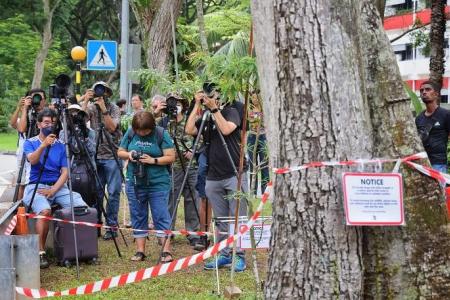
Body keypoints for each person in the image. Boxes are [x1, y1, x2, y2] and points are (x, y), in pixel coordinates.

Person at [185, 87, 248, 272]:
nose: (211, 98)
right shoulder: (206, 115)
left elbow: (227, 129)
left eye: (213, 95)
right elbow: (189, 129)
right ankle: (223, 253)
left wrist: (214, 110)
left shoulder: (232, 111)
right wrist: (196, 104)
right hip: (213, 176)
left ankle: (239, 256)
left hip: (235, 172)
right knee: (221, 220)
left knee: (237, 218)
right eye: (208, 95)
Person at [22, 108, 87, 268]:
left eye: (52, 123)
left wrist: (53, 190)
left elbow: (65, 172)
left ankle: (77, 249)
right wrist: (43, 145)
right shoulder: (30, 142)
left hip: (57, 186)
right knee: (44, 211)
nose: (49, 125)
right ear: (38, 124)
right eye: (46, 122)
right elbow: (33, 160)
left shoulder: (60, 145)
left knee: (81, 206)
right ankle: (40, 252)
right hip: (36, 187)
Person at [118, 111, 175, 262]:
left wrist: (153, 160)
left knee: (161, 215)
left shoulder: (161, 134)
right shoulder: (131, 133)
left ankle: (166, 251)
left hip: (158, 183)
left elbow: (171, 157)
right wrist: (129, 155)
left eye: (145, 130)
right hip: (135, 182)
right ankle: (140, 251)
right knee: (137, 214)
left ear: (152, 127)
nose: (142, 133)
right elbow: (120, 151)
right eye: (139, 130)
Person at [159, 93, 203, 251]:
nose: (175, 106)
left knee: (192, 199)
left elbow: (201, 139)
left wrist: (193, 151)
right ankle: (167, 231)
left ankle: (193, 233)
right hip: (173, 167)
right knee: (171, 199)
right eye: (172, 103)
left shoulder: (191, 120)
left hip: (191, 166)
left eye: (178, 103)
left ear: (184, 105)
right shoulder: (165, 123)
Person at [80, 82, 123, 240]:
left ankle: (111, 227)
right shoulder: (91, 107)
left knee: (113, 193)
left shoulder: (114, 108)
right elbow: (79, 120)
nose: (100, 93)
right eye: (97, 90)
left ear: (107, 93)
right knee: (96, 193)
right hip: (95, 155)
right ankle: (96, 224)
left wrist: (104, 109)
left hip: (112, 156)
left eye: (102, 91)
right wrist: (85, 100)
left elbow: (112, 127)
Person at [13, 89, 47, 200]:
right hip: (25, 153)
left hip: (42, 151)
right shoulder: (27, 114)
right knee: (22, 182)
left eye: (40, 98)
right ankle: (20, 209)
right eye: (34, 98)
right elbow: (22, 128)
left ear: (44, 101)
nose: (37, 101)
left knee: (42, 182)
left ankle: (38, 206)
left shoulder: (48, 115)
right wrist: (23, 109)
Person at [415, 80, 450, 173]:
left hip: (438, 164)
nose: (424, 92)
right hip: (421, 163)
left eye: (428, 89)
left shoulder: (446, 114)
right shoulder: (419, 118)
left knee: (439, 188)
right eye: (421, 90)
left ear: (436, 94)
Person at [247, 91, 269, 194]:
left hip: (262, 136)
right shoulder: (248, 108)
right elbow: (250, 119)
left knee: (264, 164)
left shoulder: (265, 108)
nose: (254, 100)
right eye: (253, 98)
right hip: (252, 136)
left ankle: (266, 191)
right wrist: (258, 116)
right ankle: (253, 191)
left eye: (256, 98)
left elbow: (263, 119)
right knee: (252, 164)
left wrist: (257, 116)